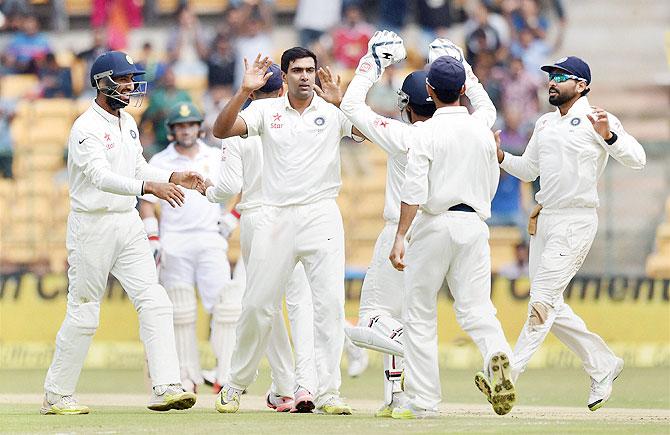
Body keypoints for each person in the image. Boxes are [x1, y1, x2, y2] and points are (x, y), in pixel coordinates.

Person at [340, 34, 498, 417]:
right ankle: (396, 395)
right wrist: (462, 66)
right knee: (414, 313)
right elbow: (485, 108)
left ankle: (413, 354)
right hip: (454, 226)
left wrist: (372, 64)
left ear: (409, 104)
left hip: (403, 228)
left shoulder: (404, 135)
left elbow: (350, 106)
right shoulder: (471, 128)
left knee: (373, 321)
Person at [41, 51, 203, 415]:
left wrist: (173, 177)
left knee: (155, 299)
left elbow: (138, 166)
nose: (130, 86)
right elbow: (100, 178)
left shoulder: (127, 122)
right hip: (92, 224)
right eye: (123, 79)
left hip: (126, 222)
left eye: (132, 79)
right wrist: (149, 188)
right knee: (84, 312)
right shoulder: (85, 128)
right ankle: (57, 394)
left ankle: (166, 385)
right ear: (102, 83)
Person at [210, 47, 363, 415]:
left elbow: (367, 133)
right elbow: (220, 130)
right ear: (284, 76)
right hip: (277, 217)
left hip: (321, 215)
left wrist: (344, 105)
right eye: (297, 71)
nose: (306, 77)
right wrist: (244, 92)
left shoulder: (330, 112)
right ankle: (235, 383)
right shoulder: (264, 111)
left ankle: (328, 392)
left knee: (328, 306)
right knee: (258, 305)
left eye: (310, 70)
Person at [494, 56, 646, 411]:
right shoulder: (545, 123)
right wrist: (501, 156)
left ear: (581, 85)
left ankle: (508, 377)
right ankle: (603, 364)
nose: (552, 81)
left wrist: (608, 135)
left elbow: (637, 158)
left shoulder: (598, 119)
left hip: (576, 220)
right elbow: (528, 169)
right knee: (552, 306)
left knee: (541, 303)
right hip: (545, 220)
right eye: (550, 76)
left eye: (560, 76)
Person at [386, 47, 516, 418]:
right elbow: (484, 103)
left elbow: (413, 190)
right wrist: (467, 69)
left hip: (434, 224)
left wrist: (400, 237)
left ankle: (425, 400)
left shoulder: (425, 132)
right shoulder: (482, 126)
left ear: (429, 89)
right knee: (476, 308)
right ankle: (495, 352)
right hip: (475, 225)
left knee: (419, 311)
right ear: (461, 89)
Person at [203, 64, 318, 412]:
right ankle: (305, 386)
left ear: (251, 91)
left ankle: (282, 386)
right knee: (299, 301)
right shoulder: (295, 119)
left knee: (263, 304)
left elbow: (227, 187)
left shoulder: (244, 121)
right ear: (282, 88)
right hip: (297, 214)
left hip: (258, 218)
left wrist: (206, 190)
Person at [138, 102, 232, 393]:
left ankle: (226, 374)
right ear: (171, 132)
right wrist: (152, 236)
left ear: (199, 127)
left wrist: (231, 217)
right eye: (180, 126)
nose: (186, 130)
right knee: (180, 310)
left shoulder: (216, 156)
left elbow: (239, 184)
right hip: (175, 241)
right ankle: (185, 374)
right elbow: (146, 202)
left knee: (226, 307)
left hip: (210, 238)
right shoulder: (160, 162)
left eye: (190, 124)